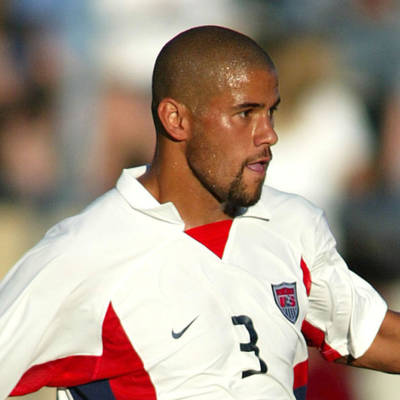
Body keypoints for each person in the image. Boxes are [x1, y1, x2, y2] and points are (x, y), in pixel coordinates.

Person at [0, 25, 399, 400]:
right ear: (176, 119)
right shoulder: (80, 253)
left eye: (271, 112)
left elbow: (371, 334)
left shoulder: (293, 224)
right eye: (246, 113)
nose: (269, 134)